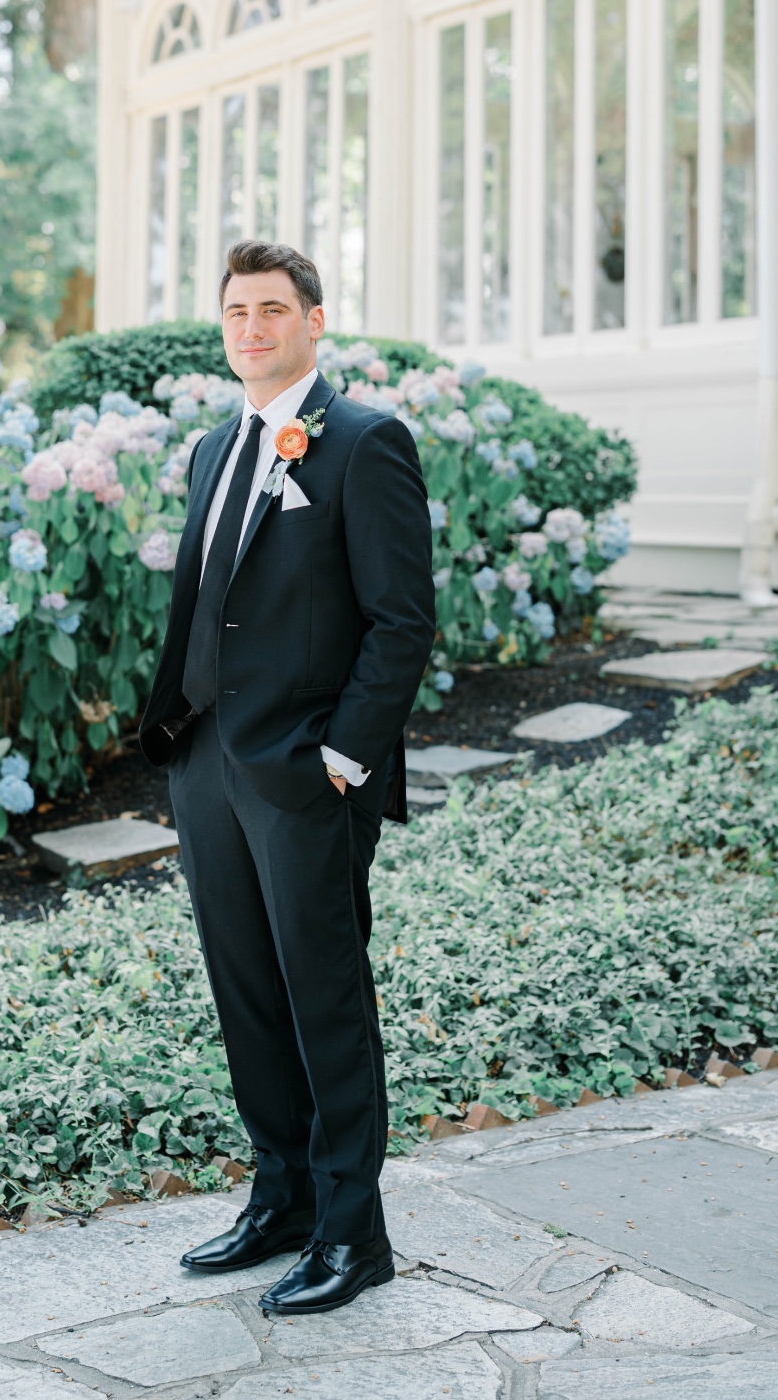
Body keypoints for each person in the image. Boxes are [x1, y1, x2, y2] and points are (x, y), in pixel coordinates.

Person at [139, 240, 436, 1315]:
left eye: (273, 308)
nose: (252, 328)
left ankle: (355, 1234)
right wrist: (175, 730)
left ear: (314, 319)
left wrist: (343, 757)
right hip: (210, 761)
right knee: (248, 993)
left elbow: (402, 623)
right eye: (235, 311)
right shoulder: (216, 449)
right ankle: (284, 1197)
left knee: (325, 997)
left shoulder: (363, 443)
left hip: (308, 770)